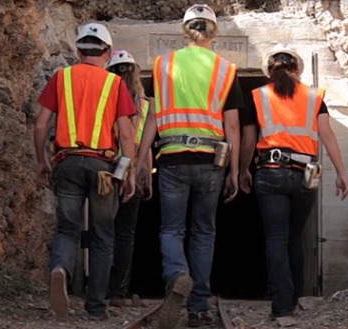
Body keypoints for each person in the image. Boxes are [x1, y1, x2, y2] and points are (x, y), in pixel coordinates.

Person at [136, 4, 244, 328]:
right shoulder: (226, 69)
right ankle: (199, 306)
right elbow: (234, 126)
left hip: (171, 157)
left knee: (171, 229)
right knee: (204, 232)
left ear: (185, 31)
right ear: (214, 32)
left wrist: (142, 159)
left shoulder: (162, 65)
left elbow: (153, 117)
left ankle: (176, 275)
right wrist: (236, 171)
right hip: (212, 161)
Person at [33, 22, 137, 321]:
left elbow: (41, 125)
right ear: (106, 52)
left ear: (78, 50)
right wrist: (129, 172)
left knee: (68, 228)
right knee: (103, 236)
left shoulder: (61, 77)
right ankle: (96, 307)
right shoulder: (115, 84)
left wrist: (42, 160)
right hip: (103, 168)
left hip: (66, 163)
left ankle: (59, 268)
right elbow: (127, 135)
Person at [238, 44, 348, 320]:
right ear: (297, 69)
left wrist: (242, 170)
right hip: (305, 176)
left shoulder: (258, 96)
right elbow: (328, 135)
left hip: (270, 171)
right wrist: (341, 172)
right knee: (294, 236)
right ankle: (296, 295)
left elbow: (249, 140)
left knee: (276, 237)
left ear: (268, 71)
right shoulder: (313, 97)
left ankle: (281, 305)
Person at [105, 49, 154, 307]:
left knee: (103, 230)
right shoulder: (145, 105)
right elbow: (144, 143)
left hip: (106, 163)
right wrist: (147, 175)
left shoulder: (105, 97)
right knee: (125, 232)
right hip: (132, 166)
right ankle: (118, 292)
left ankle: (97, 288)